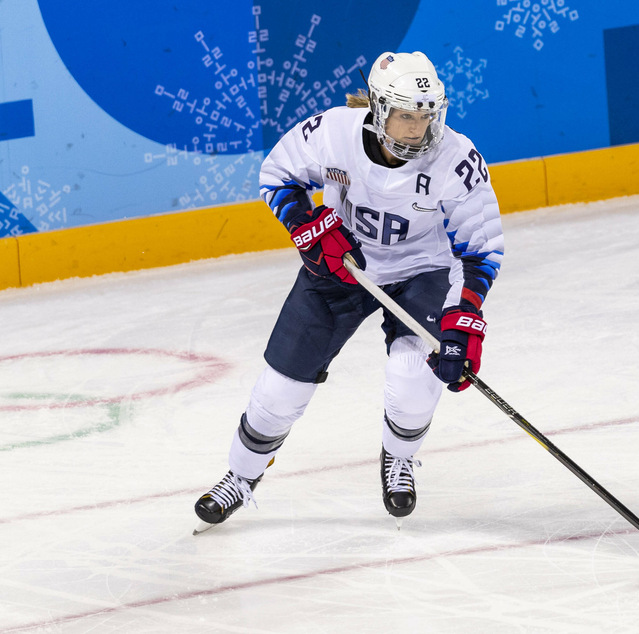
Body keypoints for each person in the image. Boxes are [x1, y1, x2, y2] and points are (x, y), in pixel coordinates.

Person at [194, 51, 504, 530]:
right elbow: (278, 175)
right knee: (278, 392)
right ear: (379, 110)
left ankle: (399, 457)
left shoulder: (456, 158)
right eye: (405, 116)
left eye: (426, 115)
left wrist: (463, 318)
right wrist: (306, 226)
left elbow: (480, 251)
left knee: (412, 380)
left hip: (421, 272)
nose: (417, 129)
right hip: (341, 266)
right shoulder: (333, 133)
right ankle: (240, 475)